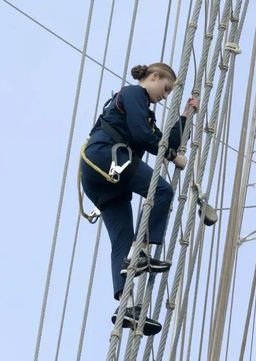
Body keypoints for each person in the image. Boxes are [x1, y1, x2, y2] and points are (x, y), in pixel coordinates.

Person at [80, 63, 198, 335]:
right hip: (106, 156)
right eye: (166, 88)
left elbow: (163, 139)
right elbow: (141, 135)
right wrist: (171, 156)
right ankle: (142, 250)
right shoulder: (134, 94)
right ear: (154, 77)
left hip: (103, 179)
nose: (165, 95)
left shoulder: (145, 113)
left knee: (122, 240)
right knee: (162, 191)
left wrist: (186, 115)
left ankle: (126, 307)